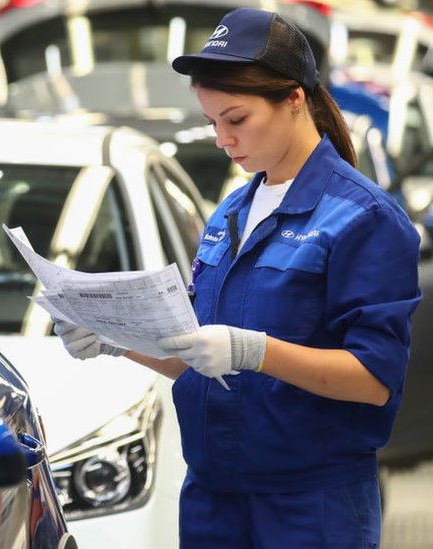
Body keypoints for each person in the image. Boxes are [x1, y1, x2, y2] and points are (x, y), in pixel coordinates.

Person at [54, 7, 421, 547]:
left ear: (294, 98)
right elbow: (200, 359)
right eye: (212, 123)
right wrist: (116, 340)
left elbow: (373, 380)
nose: (223, 138)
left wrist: (256, 351)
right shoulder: (231, 213)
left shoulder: (362, 218)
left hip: (309, 509)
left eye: (236, 118)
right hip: (212, 498)